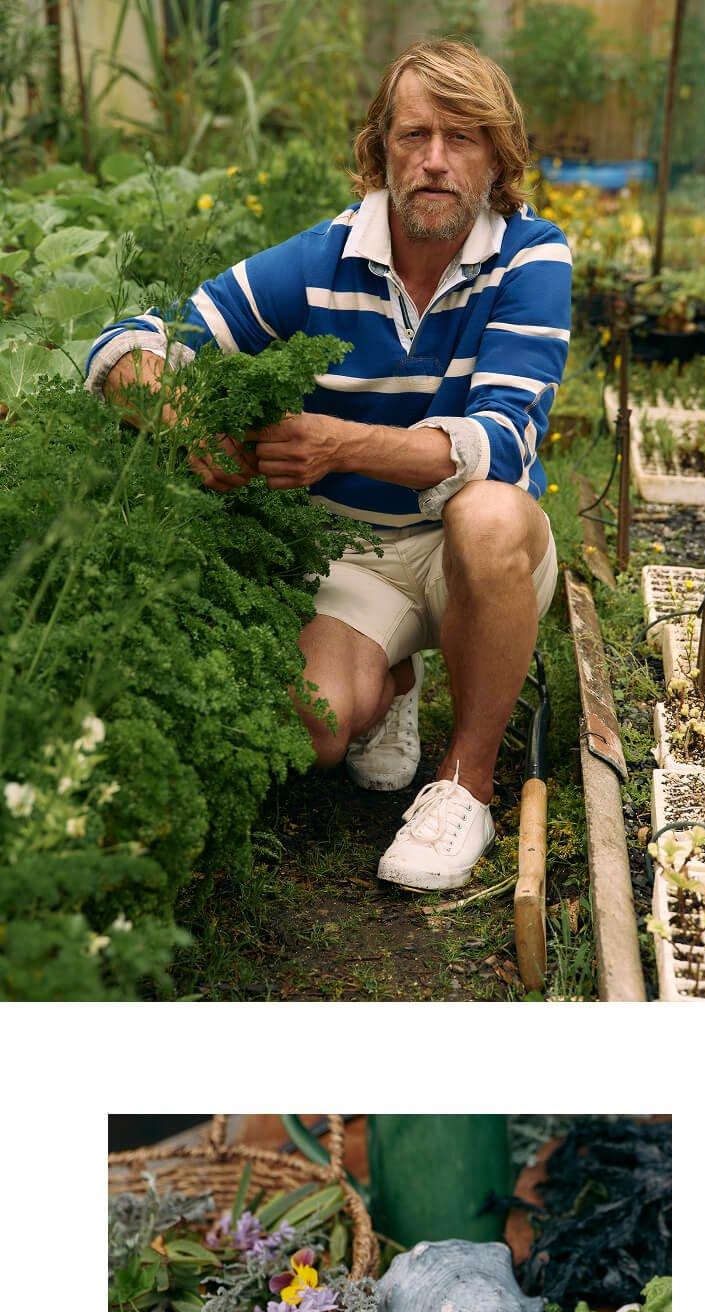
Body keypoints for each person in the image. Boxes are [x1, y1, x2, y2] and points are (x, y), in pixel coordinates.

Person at [86, 38, 571, 892]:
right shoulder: (322, 259)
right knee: (313, 730)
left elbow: (501, 441)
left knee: (484, 510)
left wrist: (341, 443)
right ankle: (393, 675)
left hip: (482, 556)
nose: (433, 160)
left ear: (498, 157)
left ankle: (467, 781)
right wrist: (186, 424)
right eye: (413, 135)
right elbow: (130, 341)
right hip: (356, 555)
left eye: (461, 139)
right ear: (378, 149)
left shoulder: (530, 257)